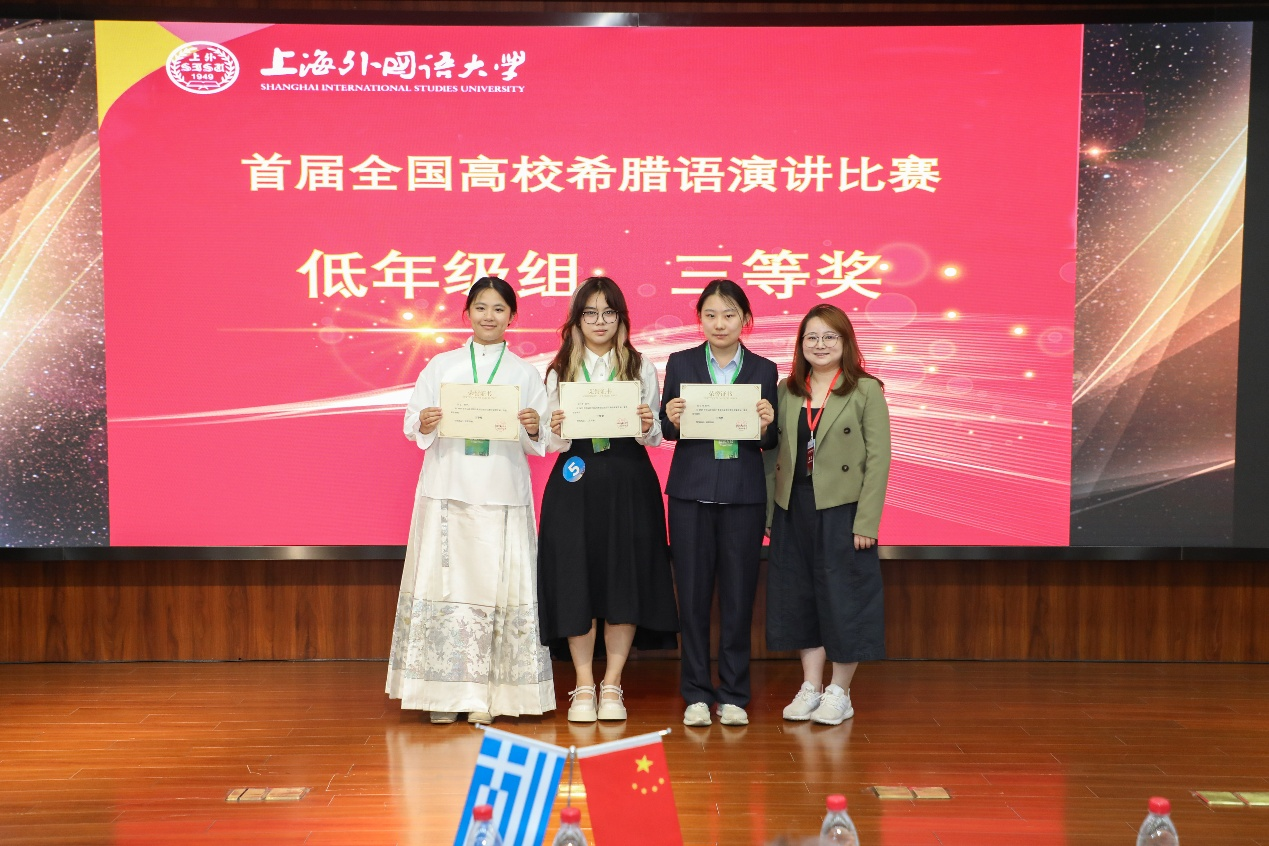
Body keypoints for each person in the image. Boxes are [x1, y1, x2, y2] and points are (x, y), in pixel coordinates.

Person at [386, 277, 555, 725]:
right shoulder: (441, 366)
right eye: (481, 307)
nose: (489, 316)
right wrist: (424, 421)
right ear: (467, 313)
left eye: (499, 308)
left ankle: (490, 696)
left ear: (512, 317)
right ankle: (443, 695)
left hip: (502, 493)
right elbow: (412, 422)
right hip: (447, 489)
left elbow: (543, 438)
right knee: (448, 588)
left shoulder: (525, 373)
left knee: (497, 592)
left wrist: (533, 426)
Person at [538, 277, 679, 723]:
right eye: (590, 313)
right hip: (575, 479)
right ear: (577, 320)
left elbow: (654, 436)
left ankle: (613, 683)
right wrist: (555, 428)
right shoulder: (558, 369)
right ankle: (583, 683)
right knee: (575, 577)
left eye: (609, 313)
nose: (600, 322)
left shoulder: (640, 365)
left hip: (627, 480)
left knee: (624, 577)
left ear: (621, 318)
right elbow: (548, 442)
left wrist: (647, 424)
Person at [660, 279, 778, 727]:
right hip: (690, 492)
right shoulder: (681, 362)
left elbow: (771, 440)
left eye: (729, 315)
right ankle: (695, 693)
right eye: (710, 315)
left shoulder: (765, 369)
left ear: (745, 319)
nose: (720, 323)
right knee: (691, 598)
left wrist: (767, 425)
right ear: (700, 319)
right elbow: (668, 429)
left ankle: (733, 695)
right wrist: (671, 418)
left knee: (738, 597)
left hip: (743, 494)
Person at [766, 303, 891, 726]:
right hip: (793, 506)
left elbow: (879, 459)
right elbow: (772, 456)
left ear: (845, 342)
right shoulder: (787, 390)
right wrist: (771, 513)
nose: (820, 345)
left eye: (829, 337)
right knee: (799, 596)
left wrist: (866, 521)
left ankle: (840, 691)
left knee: (845, 598)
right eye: (811, 337)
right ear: (801, 344)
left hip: (843, 509)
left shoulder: (866, 389)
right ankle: (811, 687)